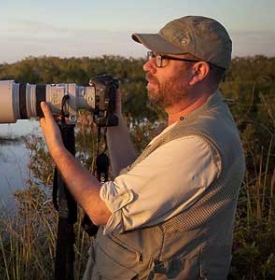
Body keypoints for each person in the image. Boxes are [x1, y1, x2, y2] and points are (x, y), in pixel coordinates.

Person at [38, 16, 245, 279]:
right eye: (151, 55)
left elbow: (102, 209)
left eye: (161, 59)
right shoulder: (195, 120)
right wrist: (114, 118)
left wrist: (57, 148)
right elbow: (132, 179)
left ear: (198, 71)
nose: (147, 66)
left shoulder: (197, 144)